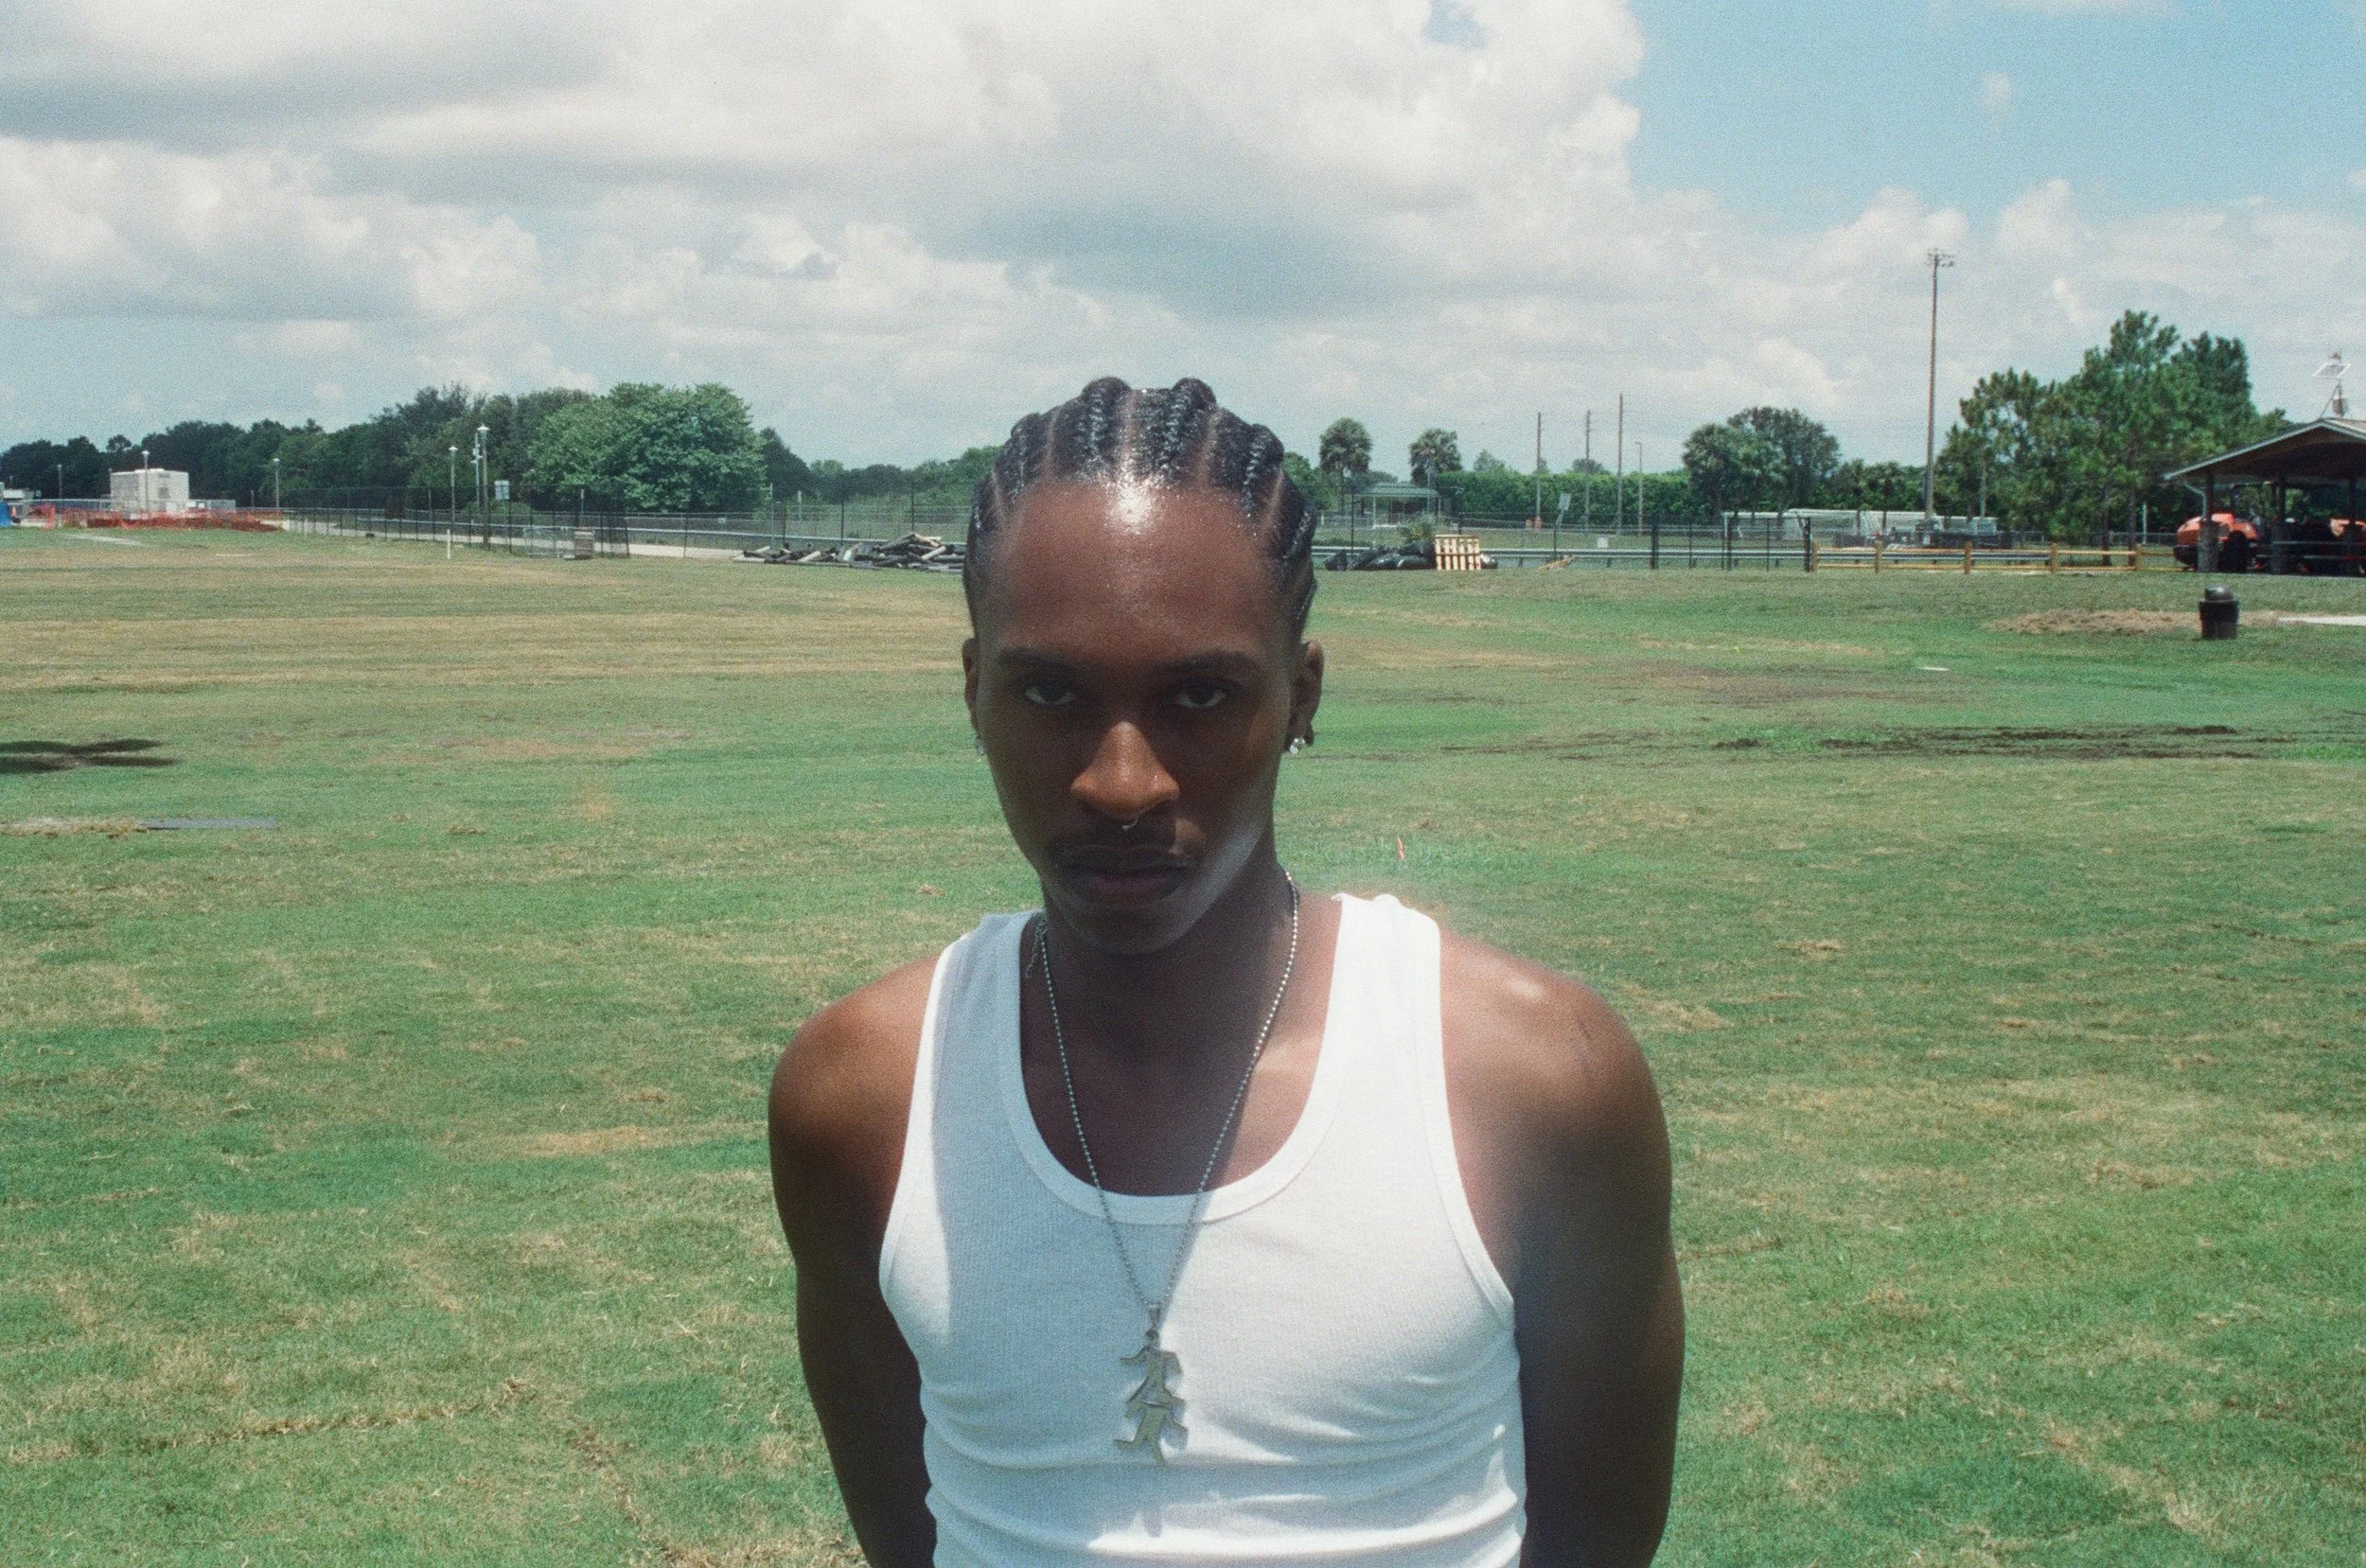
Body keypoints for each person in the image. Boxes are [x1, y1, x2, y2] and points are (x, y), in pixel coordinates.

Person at [769, 378, 1683, 1567]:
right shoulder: (862, 1097)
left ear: (1300, 693)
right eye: (1048, 692)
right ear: (970, 691)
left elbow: (1597, 1543)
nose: (1122, 782)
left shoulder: (1533, 1080)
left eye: (1199, 696)